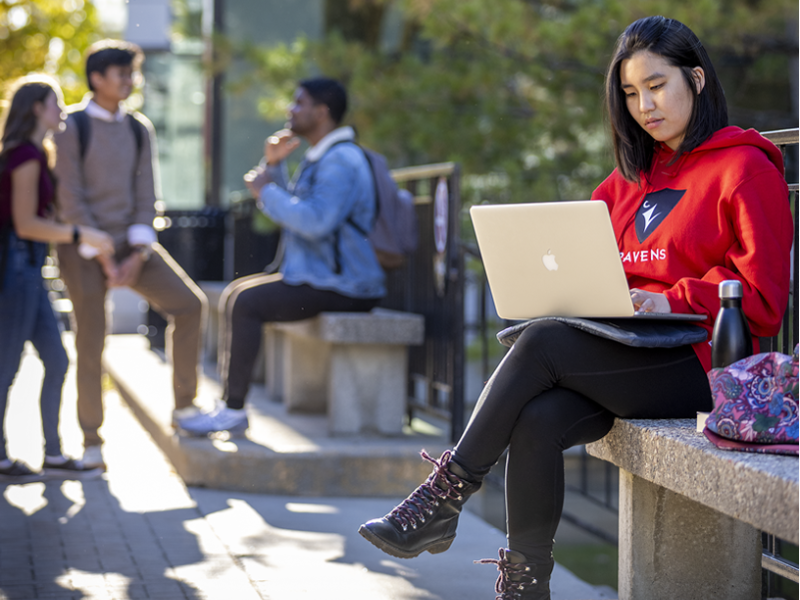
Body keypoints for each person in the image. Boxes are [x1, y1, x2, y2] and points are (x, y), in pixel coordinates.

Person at [358, 16, 793, 599]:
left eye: (658, 86)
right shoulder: (619, 187)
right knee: (536, 421)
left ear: (697, 78)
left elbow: (764, 300)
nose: (645, 105)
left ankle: (446, 494)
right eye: (631, 93)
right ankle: (525, 586)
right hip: (622, 354)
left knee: (542, 343)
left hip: (699, 364)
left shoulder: (744, 169)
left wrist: (670, 297)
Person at [177, 77, 385, 436]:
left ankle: (233, 410)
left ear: (321, 112)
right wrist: (272, 167)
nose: (290, 109)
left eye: (299, 103)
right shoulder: (322, 156)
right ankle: (233, 407)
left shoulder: (340, 161)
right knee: (239, 294)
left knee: (246, 301)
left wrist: (266, 190)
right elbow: (296, 210)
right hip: (320, 277)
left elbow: (315, 221)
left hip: (346, 285)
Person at [54, 40, 207, 471]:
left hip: (134, 244)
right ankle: (91, 439)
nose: (129, 80)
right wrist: (104, 257)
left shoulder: (140, 128)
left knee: (189, 305)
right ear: (97, 78)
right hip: (83, 247)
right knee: (90, 337)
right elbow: (70, 197)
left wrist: (136, 254)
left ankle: (185, 409)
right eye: (121, 73)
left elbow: (147, 196)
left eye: (131, 73)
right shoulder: (71, 126)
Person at [0, 76, 114, 482]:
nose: (62, 111)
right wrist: (81, 234)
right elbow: (26, 223)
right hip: (17, 266)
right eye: (56, 103)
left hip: (30, 268)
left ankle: (52, 453)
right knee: (7, 364)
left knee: (57, 359)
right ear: (36, 108)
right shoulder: (24, 155)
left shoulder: (35, 152)